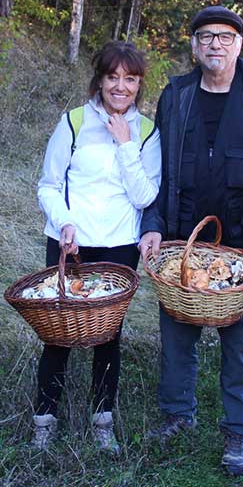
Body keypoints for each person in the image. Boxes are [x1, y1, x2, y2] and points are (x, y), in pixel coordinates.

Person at [139, 5, 243, 476]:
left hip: (242, 246)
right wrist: (152, 222)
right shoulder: (177, 95)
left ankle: (238, 434)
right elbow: (155, 168)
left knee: (242, 342)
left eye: (225, 37)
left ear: (239, 45)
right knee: (176, 337)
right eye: (205, 36)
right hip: (180, 242)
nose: (215, 44)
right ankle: (177, 416)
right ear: (193, 46)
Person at [33, 40, 162, 454]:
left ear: (139, 84)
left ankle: (103, 421)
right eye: (113, 77)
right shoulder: (72, 122)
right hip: (70, 243)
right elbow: (49, 185)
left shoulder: (146, 131)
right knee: (58, 333)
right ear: (100, 79)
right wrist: (64, 222)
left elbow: (145, 196)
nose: (120, 86)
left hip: (120, 247)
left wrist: (125, 143)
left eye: (130, 79)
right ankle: (44, 422)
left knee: (108, 335)